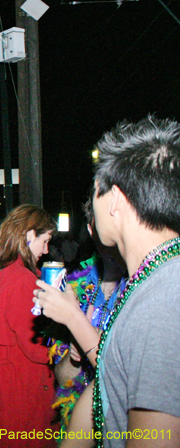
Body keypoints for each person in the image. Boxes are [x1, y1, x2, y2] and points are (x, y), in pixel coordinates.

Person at [35, 116, 180, 448]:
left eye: (96, 188)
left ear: (114, 198)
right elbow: (111, 381)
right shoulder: (149, 282)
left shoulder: (164, 301)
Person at [0, 205, 56, 447]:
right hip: (16, 389)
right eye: (44, 241)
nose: (46, 250)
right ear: (28, 235)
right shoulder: (23, 280)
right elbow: (36, 349)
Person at [42, 199, 126, 442]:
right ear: (91, 230)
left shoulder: (142, 287)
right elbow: (64, 378)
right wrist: (75, 353)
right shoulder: (77, 290)